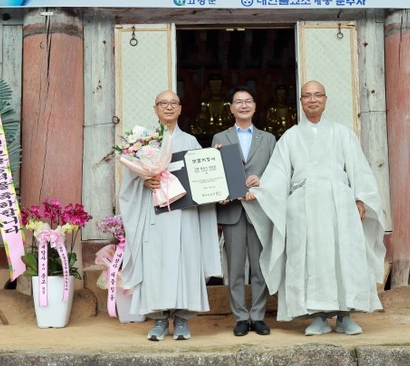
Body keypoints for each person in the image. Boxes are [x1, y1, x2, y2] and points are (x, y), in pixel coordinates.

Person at [244, 80, 386, 336]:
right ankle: (317, 316)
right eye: (307, 96)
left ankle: (344, 315)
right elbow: (277, 174)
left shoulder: (342, 133)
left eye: (317, 95)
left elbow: (359, 168)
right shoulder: (290, 137)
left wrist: (360, 199)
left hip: (339, 204)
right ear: (301, 101)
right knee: (309, 260)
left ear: (325, 99)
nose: (313, 100)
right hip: (303, 207)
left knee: (344, 257)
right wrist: (259, 190)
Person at [119, 90, 221, 342]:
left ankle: (183, 319)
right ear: (155, 109)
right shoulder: (144, 142)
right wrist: (145, 182)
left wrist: (215, 160)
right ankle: (159, 320)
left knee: (186, 263)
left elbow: (204, 177)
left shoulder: (191, 142)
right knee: (155, 264)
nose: (168, 107)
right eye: (163, 103)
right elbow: (129, 182)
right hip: (156, 215)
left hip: (184, 216)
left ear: (180, 108)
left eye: (173, 103)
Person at [212, 86, 276, 337]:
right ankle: (240, 317)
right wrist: (221, 192)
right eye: (238, 102)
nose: (243, 105)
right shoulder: (220, 137)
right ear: (230, 108)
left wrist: (261, 182)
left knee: (260, 267)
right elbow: (214, 173)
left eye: (248, 101)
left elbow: (277, 172)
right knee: (235, 268)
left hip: (259, 209)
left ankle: (258, 316)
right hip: (233, 211)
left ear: (255, 106)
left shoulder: (268, 139)